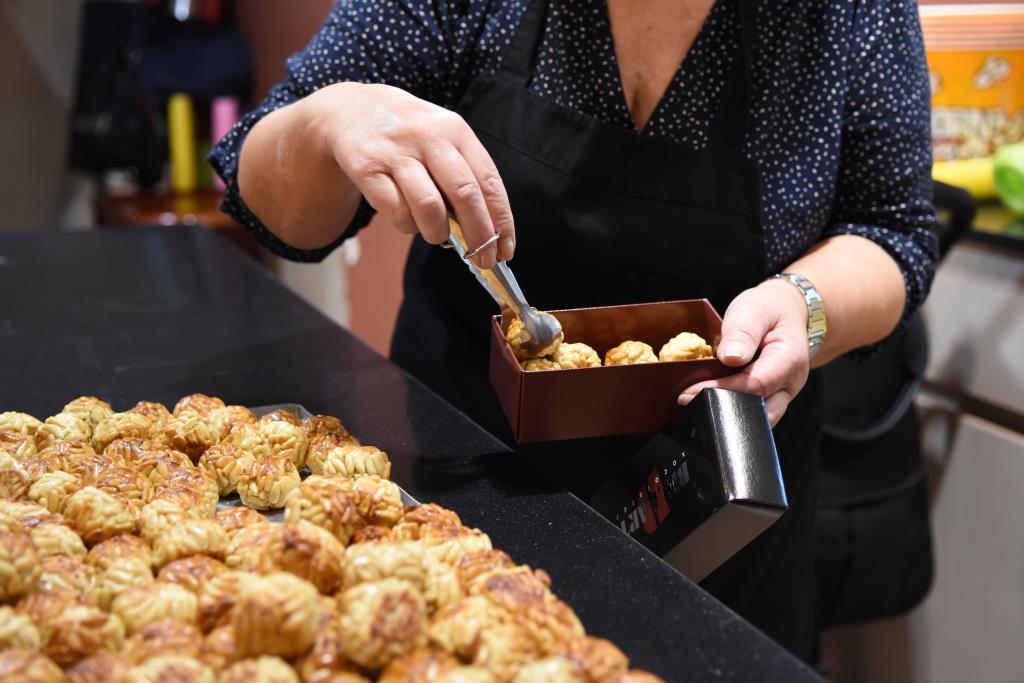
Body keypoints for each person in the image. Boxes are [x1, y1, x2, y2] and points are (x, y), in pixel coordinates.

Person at [209, 0, 938, 661]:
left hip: (721, 517)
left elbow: (892, 231)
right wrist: (329, 120)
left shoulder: (849, 14)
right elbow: (269, 203)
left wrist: (805, 304)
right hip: (460, 500)